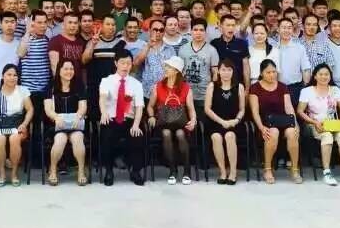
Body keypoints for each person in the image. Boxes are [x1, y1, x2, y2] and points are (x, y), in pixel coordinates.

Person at [297, 64, 340, 186]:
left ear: (330, 76)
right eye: (321, 74)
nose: (324, 77)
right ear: (315, 76)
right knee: (327, 136)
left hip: (333, 124)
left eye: (326, 74)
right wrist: (314, 122)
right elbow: (300, 111)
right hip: (315, 124)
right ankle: (327, 172)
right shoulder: (307, 91)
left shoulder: (335, 90)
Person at [249, 59, 301, 184]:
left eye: (274, 72)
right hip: (265, 123)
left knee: (292, 133)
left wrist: (295, 124)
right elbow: (255, 111)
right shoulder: (255, 88)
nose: (272, 75)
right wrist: (261, 127)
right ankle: (267, 169)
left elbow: (289, 107)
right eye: (268, 72)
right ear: (261, 73)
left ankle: (294, 169)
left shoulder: (282, 87)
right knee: (273, 133)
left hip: (283, 120)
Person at [147, 56, 197, 185]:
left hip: (180, 122)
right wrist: (151, 116)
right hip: (164, 122)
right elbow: (150, 106)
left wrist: (193, 120)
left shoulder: (186, 87)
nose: (165, 69)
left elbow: (191, 108)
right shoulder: (158, 86)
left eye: (168, 67)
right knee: (166, 133)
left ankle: (186, 170)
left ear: (176, 71)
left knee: (180, 134)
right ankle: (172, 170)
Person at [98, 50, 145, 186]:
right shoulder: (107, 81)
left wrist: (136, 124)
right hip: (111, 118)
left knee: (137, 136)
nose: (125, 66)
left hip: (129, 120)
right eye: (122, 63)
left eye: (128, 63)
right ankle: (109, 171)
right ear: (116, 63)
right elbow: (102, 98)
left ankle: (135, 171)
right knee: (107, 136)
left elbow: (139, 107)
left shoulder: (136, 84)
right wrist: (104, 112)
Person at [0, 64, 33, 187]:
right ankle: (2, 174)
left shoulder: (23, 90)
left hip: (17, 126)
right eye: (9, 74)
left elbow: (30, 109)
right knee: (0, 139)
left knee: (14, 138)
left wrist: (25, 124)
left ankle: (14, 174)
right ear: (3, 76)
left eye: (15, 75)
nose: (12, 77)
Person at [45, 59, 88, 186]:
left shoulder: (79, 85)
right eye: (66, 69)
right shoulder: (51, 86)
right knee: (60, 140)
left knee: (77, 138)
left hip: (75, 124)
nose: (69, 72)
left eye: (71, 69)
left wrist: (78, 116)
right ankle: (53, 170)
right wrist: (56, 117)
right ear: (59, 70)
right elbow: (48, 109)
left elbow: (83, 106)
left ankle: (81, 171)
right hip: (58, 125)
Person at [204, 59, 246, 185]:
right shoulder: (212, 86)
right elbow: (207, 109)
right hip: (216, 122)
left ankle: (233, 172)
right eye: (223, 70)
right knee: (216, 137)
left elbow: (242, 109)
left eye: (229, 70)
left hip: (234, 123)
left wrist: (236, 120)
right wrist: (221, 122)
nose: (226, 73)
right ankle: (222, 172)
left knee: (229, 136)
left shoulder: (239, 87)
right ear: (218, 71)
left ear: (233, 72)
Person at [82, 15, 126, 120]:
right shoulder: (93, 41)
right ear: (101, 26)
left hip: (114, 88)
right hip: (95, 87)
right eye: (108, 24)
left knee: (112, 118)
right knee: (95, 117)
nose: (111, 27)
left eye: (113, 25)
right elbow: (84, 60)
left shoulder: (121, 43)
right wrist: (93, 45)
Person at [17, 9, 52, 132]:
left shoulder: (48, 40)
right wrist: (28, 32)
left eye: (45, 22)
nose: (43, 26)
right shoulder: (26, 39)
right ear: (32, 23)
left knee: (44, 125)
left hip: (45, 90)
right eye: (39, 22)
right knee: (30, 124)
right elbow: (20, 53)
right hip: (29, 90)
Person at [179, 18, 219, 119]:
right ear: (191, 31)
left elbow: (215, 73)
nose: (198, 33)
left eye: (201, 30)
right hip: (186, 93)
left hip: (204, 95)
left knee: (202, 122)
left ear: (205, 32)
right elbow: (179, 72)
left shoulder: (212, 50)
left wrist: (212, 91)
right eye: (195, 30)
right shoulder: (183, 49)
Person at [271, 17, 311, 105]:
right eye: (283, 28)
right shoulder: (273, 48)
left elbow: (306, 69)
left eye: (289, 28)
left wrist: (305, 88)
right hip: (276, 87)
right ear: (278, 29)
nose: (286, 30)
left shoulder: (299, 48)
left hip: (295, 88)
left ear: (292, 30)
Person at [140, 18, 177, 101]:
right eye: (155, 29)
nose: (158, 32)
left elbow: (174, 71)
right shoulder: (143, 46)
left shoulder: (170, 49)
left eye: (161, 30)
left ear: (164, 32)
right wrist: (148, 46)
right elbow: (136, 63)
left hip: (165, 93)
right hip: (147, 92)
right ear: (149, 31)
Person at [211, 14, 251, 90]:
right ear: (221, 27)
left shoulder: (242, 43)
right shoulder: (214, 43)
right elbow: (213, 68)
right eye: (228, 25)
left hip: (238, 85)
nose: (231, 28)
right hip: (219, 86)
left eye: (233, 25)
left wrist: (247, 88)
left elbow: (246, 67)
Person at [317, 15, 340, 91]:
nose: (337, 28)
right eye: (334, 26)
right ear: (329, 28)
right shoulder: (323, 44)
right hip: (328, 87)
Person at [48, 11, 87, 77]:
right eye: (70, 22)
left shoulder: (80, 42)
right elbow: (54, 67)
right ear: (63, 24)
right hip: (62, 81)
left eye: (75, 23)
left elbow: (82, 65)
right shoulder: (55, 41)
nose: (73, 25)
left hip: (78, 82)